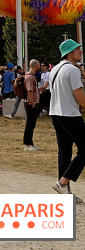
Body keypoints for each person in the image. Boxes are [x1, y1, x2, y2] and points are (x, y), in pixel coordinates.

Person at [49, 39, 85, 203]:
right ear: (70, 52)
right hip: (70, 114)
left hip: (56, 113)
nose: (81, 52)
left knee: (65, 152)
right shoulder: (72, 70)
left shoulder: (56, 68)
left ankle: (65, 190)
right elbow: (79, 96)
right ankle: (63, 182)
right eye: (78, 49)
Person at [23, 59, 42, 151]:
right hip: (30, 103)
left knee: (32, 124)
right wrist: (33, 102)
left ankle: (30, 143)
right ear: (36, 66)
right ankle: (27, 144)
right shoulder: (30, 77)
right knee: (30, 124)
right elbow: (30, 90)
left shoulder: (30, 76)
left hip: (32, 102)